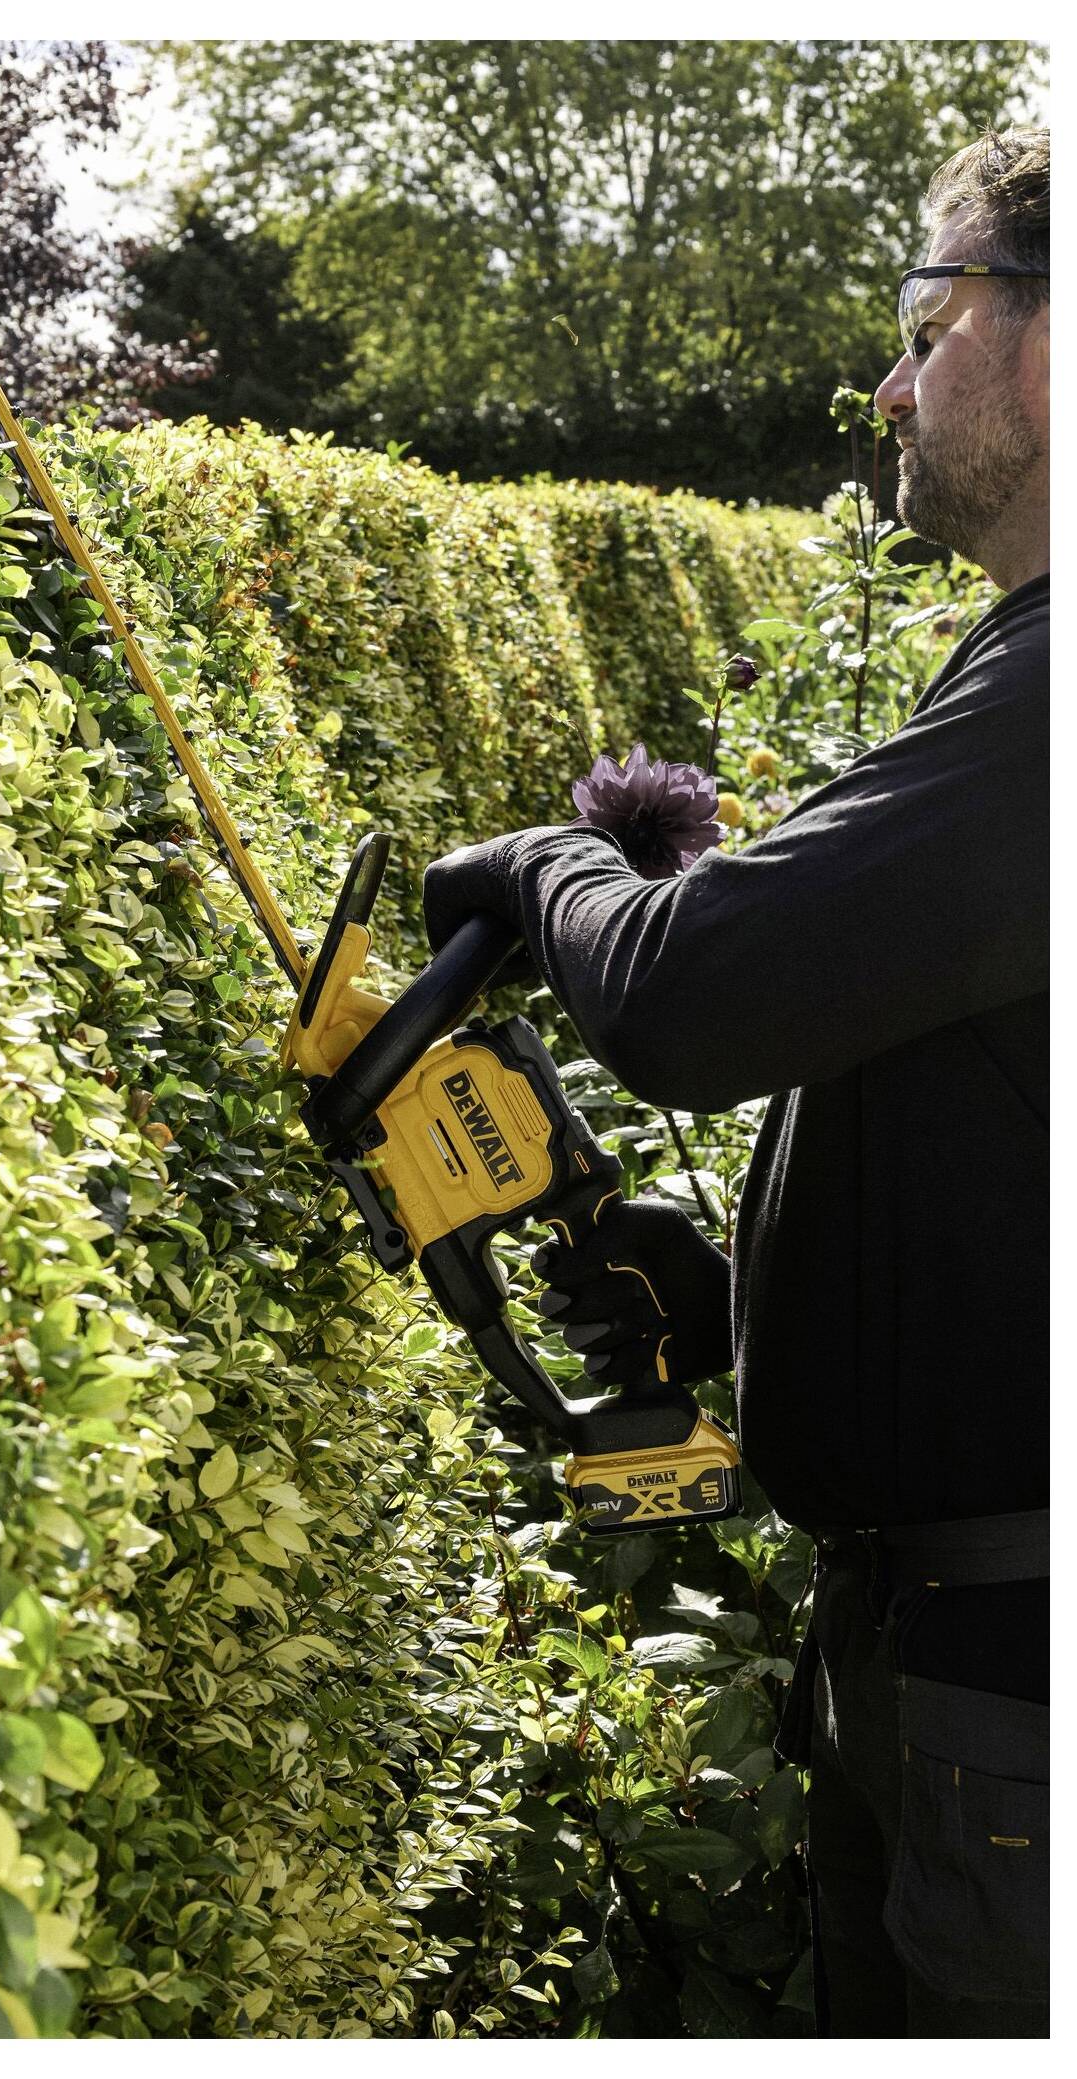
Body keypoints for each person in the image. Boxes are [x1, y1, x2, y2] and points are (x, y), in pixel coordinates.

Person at [421, 127, 1048, 2039]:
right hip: (955, 1662)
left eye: (924, 327)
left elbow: (695, 998)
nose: (887, 383)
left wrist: (547, 871)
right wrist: (741, 1298)